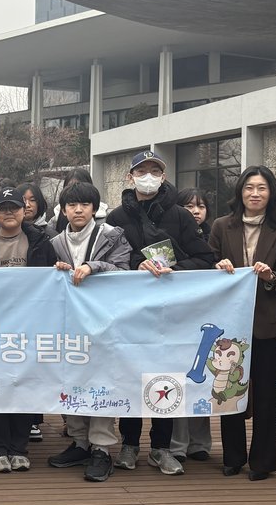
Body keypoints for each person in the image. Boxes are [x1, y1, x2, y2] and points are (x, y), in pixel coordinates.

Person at [104, 150, 216, 475]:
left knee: (166, 376)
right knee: (130, 374)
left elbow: (204, 257)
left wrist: (173, 269)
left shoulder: (180, 215)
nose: (148, 177)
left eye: (155, 171)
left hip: (172, 312)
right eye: (141, 171)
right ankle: (129, 444)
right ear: (130, 177)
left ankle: (161, 447)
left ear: (164, 177)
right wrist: (135, 266)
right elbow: (108, 262)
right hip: (130, 311)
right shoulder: (116, 217)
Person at [0, 187, 58, 472]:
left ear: (23, 210)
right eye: (3, 208)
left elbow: (53, 276)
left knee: (24, 383)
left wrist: (61, 270)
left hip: (30, 324)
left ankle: (18, 447)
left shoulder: (41, 241)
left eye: (14, 207)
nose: (9, 212)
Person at [211, 166, 276, 481]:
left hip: (266, 322)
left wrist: (270, 276)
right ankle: (233, 457)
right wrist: (218, 266)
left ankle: (263, 461)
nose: (254, 193)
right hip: (229, 322)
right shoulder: (221, 225)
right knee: (228, 389)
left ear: (271, 193)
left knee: (266, 394)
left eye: (261, 188)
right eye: (249, 187)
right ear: (240, 192)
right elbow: (207, 265)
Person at [47, 182, 132, 482]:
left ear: (95, 208)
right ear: (63, 210)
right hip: (68, 324)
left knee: (101, 382)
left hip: (104, 323)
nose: (78, 210)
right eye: (72, 205)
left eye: (84, 204)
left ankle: (102, 448)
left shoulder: (112, 235)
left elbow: (125, 273)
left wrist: (93, 267)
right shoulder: (55, 241)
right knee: (69, 379)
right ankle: (80, 442)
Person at [169, 187, 215, 463]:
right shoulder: (171, 236)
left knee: (202, 378)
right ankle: (177, 444)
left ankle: (200, 443)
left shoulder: (215, 235)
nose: (195, 212)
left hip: (207, 316)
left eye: (201, 206)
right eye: (188, 206)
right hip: (177, 317)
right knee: (178, 377)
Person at [51, 168, 108, 233]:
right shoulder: (55, 220)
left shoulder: (105, 219)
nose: (77, 189)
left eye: (85, 204)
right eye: (71, 186)